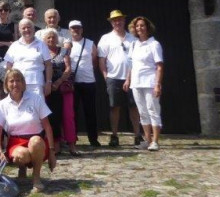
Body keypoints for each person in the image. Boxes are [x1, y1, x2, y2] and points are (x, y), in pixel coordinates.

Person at [0, 69, 57, 193]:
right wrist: (0, 151)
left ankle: (36, 178)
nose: (15, 84)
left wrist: (52, 152)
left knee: (35, 141)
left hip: (37, 141)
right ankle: (22, 167)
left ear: (23, 83)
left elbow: (47, 126)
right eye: (11, 81)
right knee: (20, 156)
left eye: (18, 80)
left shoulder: (36, 99)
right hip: (16, 142)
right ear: (6, 85)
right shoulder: (2, 105)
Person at [97, 10, 141, 147]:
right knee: (114, 107)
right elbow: (101, 60)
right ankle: (114, 135)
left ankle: (138, 135)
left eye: (120, 19)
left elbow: (136, 60)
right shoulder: (105, 38)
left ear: (124, 21)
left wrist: (131, 77)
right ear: (111, 22)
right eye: (115, 20)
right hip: (113, 77)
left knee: (134, 107)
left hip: (132, 78)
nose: (118, 22)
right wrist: (106, 77)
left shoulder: (133, 39)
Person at [124, 16, 164, 151]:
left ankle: (155, 141)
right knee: (142, 112)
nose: (139, 28)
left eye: (142, 25)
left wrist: (157, 84)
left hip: (150, 82)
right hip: (136, 82)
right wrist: (128, 79)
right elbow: (131, 64)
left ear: (147, 27)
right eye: (137, 26)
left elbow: (159, 66)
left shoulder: (154, 44)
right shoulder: (134, 44)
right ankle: (147, 140)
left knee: (153, 110)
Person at [43, 29, 79, 156]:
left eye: (53, 37)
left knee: (68, 116)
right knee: (51, 117)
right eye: (48, 38)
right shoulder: (42, 52)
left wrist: (58, 82)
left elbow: (68, 68)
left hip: (63, 87)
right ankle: (55, 145)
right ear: (44, 40)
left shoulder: (63, 51)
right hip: (48, 88)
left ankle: (72, 145)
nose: (51, 40)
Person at [68, 20, 100, 147]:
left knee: (90, 111)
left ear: (82, 29)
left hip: (88, 81)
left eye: (78, 28)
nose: (75, 30)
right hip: (73, 83)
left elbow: (95, 60)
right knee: (72, 112)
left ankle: (93, 139)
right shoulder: (67, 44)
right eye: (73, 28)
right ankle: (72, 138)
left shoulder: (90, 43)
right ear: (69, 30)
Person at [1, 19, 52, 97]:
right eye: (23, 28)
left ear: (33, 29)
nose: (26, 30)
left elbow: (48, 65)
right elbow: (9, 65)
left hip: (36, 83)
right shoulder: (15, 45)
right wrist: (8, 82)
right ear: (19, 31)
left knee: (36, 107)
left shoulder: (41, 44)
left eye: (29, 27)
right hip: (17, 83)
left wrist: (48, 82)